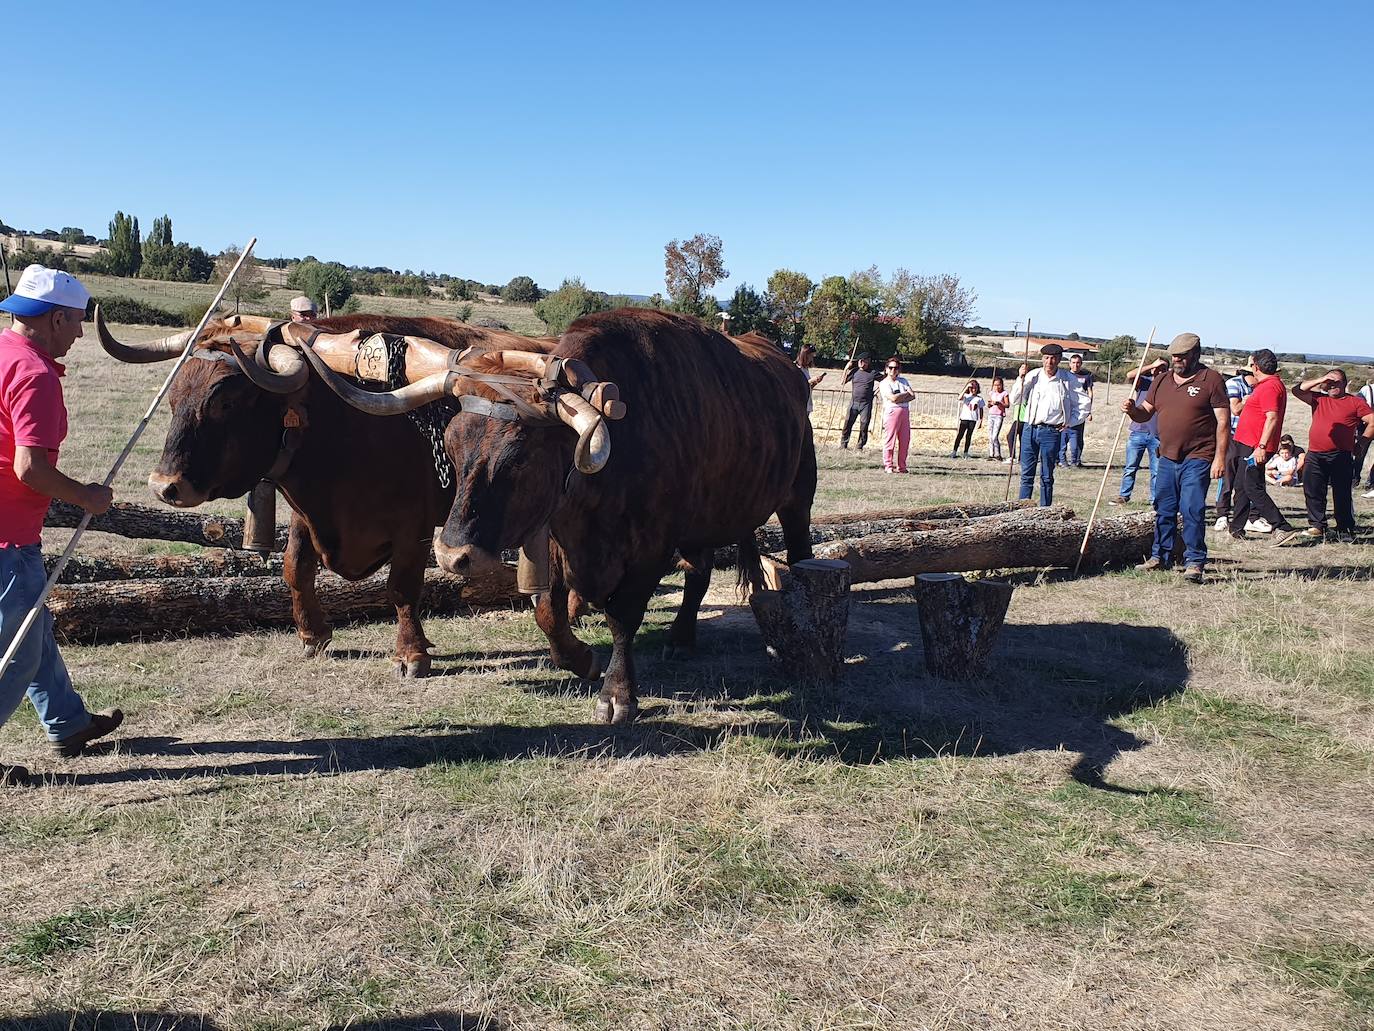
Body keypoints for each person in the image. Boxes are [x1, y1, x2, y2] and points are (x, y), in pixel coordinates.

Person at [1, 266, 124, 786]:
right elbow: (31, 467)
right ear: (54, 318)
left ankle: (68, 723)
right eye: (75, 322)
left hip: (10, 529)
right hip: (6, 536)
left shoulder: (5, 353)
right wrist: (88, 498)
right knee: (20, 646)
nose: (79, 333)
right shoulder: (35, 375)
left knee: (34, 626)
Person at [1121, 332, 1229, 582]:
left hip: (1198, 456)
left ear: (1195, 354)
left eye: (1182, 356)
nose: (1177, 360)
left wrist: (1220, 458)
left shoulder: (1211, 380)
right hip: (1167, 456)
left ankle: (1195, 561)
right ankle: (1161, 556)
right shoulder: (1162, 381)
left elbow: (1223, 422)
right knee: (1164, 509)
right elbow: (1144, 414)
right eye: (1174, 356)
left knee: (1191, 508)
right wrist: (1131, 411)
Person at [1228, 349, 1300, 546]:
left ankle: (1282, 526)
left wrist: (1260, 447)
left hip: (1256, 445)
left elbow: (1272, 417)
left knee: (1252, 486)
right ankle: (1236, 528)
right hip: (1248, 443)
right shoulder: (1266, 385)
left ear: (1256, 367)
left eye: (1251, 365)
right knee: (1242, 485)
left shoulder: (1270, 387)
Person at [1291, 368, 1374, 541]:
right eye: (1330, 383)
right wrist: (1322, 378)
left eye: (1337, 382)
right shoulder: (1318, 399)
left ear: (1345, 384)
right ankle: (1317, 525)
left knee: (1342, 493)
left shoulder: (1355, 402)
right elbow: (1297, 390)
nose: (1333, 386)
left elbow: (1372, 421)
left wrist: (1363, 442)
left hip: (1341, 454)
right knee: (1313, 490)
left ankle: (1344, 528)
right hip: (1315, 454)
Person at [1009, 343, 1079, 506]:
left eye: (1053, 358)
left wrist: (1070, 422)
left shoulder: (1068, 379)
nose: (1049, 362)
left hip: (1051, 432)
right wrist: (1021, 379)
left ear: (1059, 360)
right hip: (1029, 429)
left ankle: (1045, 510)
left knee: (1047, 475)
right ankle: (1022, 509)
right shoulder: (1032, 376)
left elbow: (1083, 404)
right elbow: (1015, 400)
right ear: (1042, 359)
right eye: (1046, 358)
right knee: (1026, 474)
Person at [1108, 358, 1165, 507]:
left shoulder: (1167, 385)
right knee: (1131, 467)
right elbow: (1130, 375)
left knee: (1156, 470)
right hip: (1138, 431)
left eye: (1162, 368)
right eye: (1156, 368)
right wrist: (1152, 365)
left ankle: (1155, 500)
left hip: (1158, 434)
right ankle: (1124, 495)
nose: (1158, 371)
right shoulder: (1144, 382)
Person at [1213, 367, 1256, 531]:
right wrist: (1248, 400)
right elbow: (1236, 409)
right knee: (1226, 476)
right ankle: (1222, 514)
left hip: (1250, 437)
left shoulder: (1261, 387)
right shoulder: (1233, 384)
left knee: (1245, 479)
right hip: (1232, 435)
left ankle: (1245, 516)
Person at [878, 357, 914, 474]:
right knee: (890, 439)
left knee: (905, 440)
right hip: (892, 412)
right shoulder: (884, 383)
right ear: (886, 369)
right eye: (891, 367)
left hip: (904, 411)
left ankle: (902, 466)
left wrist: (900, 397)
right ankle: (888, 465)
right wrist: (904, 395)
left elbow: (912, 395)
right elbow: (893, 398)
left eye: (896, 368)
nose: (893, 370)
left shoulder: (903, 381)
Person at [1060, 353, 1094, 467]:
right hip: (1066, 410)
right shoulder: (1065, 375)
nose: (1076, 365)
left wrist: (1088, 411)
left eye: (1078, 363)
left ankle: (1076, 460)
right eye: (1073, 363)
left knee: (1078, 437)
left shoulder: (1086, 376)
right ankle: (1061, 460)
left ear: (1081, 364)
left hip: (1080, 411)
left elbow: (1089, 393)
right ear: (1069, 364)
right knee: (1063, 437)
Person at [839, 352, 878, 450]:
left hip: (866, 404)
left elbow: (885, 381)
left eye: (863, 360)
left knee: (864, 425)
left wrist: (877, 391)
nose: (860, 362)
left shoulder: (873, 373)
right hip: (853, 402)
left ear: (868, 361)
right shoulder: (854, 371)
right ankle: (843, 444)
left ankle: (860, 446)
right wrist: (846, 368)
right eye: (859, 360)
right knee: (847, 424)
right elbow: (842, 382)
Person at [951, 379, 983, 459]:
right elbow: (959, 397)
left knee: (968, 436)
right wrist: (966, 387)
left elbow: (981, 409)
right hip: (964, 418)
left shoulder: (979, 399)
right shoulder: (966, 396)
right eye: (972, 388)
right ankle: (954, 451)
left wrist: (981, 420)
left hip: (973, 419)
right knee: (960, 435)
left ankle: (966, 452)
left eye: (975, 388)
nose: (973, 390)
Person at [1355, 379, 1374, 497]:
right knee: (1359, 452)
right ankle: (1354, 478)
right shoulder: (1367, 389)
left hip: (1367, 424)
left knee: (1359, 452)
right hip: (1366, 426)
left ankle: (1371, 482)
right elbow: (1358, 405)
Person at [1004, 369, 1027, 465]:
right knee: (1020, 437)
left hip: (1022, 417)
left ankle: (1013, 456)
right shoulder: (1018, 384)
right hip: (1017, 417)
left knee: (1012, 436)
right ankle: (1020, 458)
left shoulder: (1026, 387)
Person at [795, 345, 825, 414]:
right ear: (804, 355)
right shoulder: (796, 368)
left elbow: (808, 387)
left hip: (807, 403)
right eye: (810, 356)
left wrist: (815, 383)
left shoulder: (805, 369)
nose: (811, 359)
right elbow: (797, 386)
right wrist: (811, 380)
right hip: (799, 404)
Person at [986, 376, 1008, 460]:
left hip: (999, 415)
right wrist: (990, 404)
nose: (997, 387)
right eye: (995, 385)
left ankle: (998, 453)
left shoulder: (1004, 393)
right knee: (990, 435)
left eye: (999, 385)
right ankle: (991, 454)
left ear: (1002, 385)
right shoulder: (992, 393)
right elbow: (989, 405)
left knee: (995, 435)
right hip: (991, 414)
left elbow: (1007, 405)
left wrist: (1000, 403)